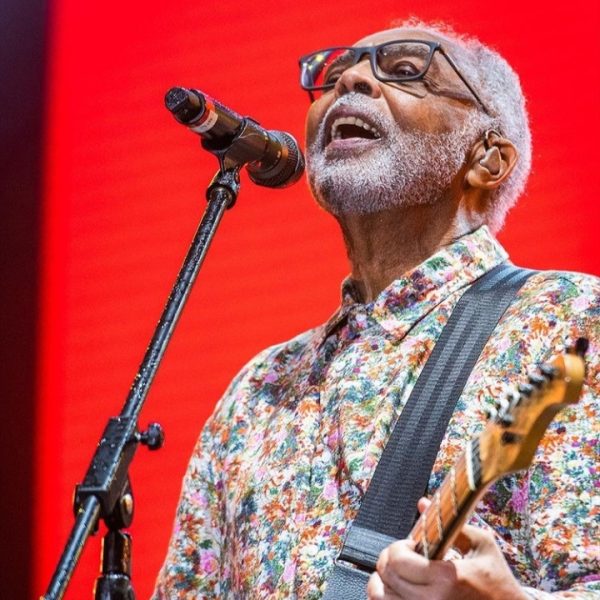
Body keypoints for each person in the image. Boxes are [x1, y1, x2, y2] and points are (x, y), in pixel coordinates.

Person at [153, 20, 599, 599]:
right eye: (336, 74)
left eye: (407, 68)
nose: (353, 80)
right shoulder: (257, 393)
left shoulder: (572, 322)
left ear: (487, 159)